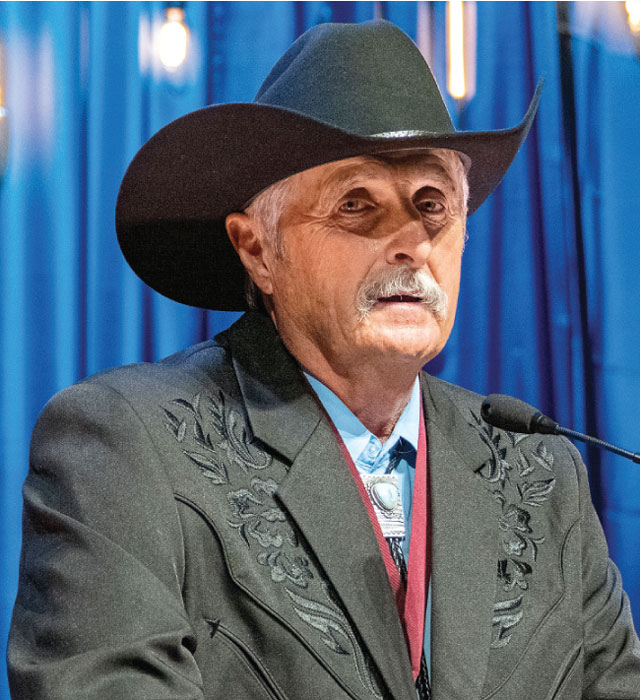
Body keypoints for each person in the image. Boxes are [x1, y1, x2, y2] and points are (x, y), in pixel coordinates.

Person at [8, 19, 640, 700]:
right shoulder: (126, 447)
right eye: (357, 204)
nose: (410, 242)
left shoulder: (541, 468)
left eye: (432, 205)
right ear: (257, 250)